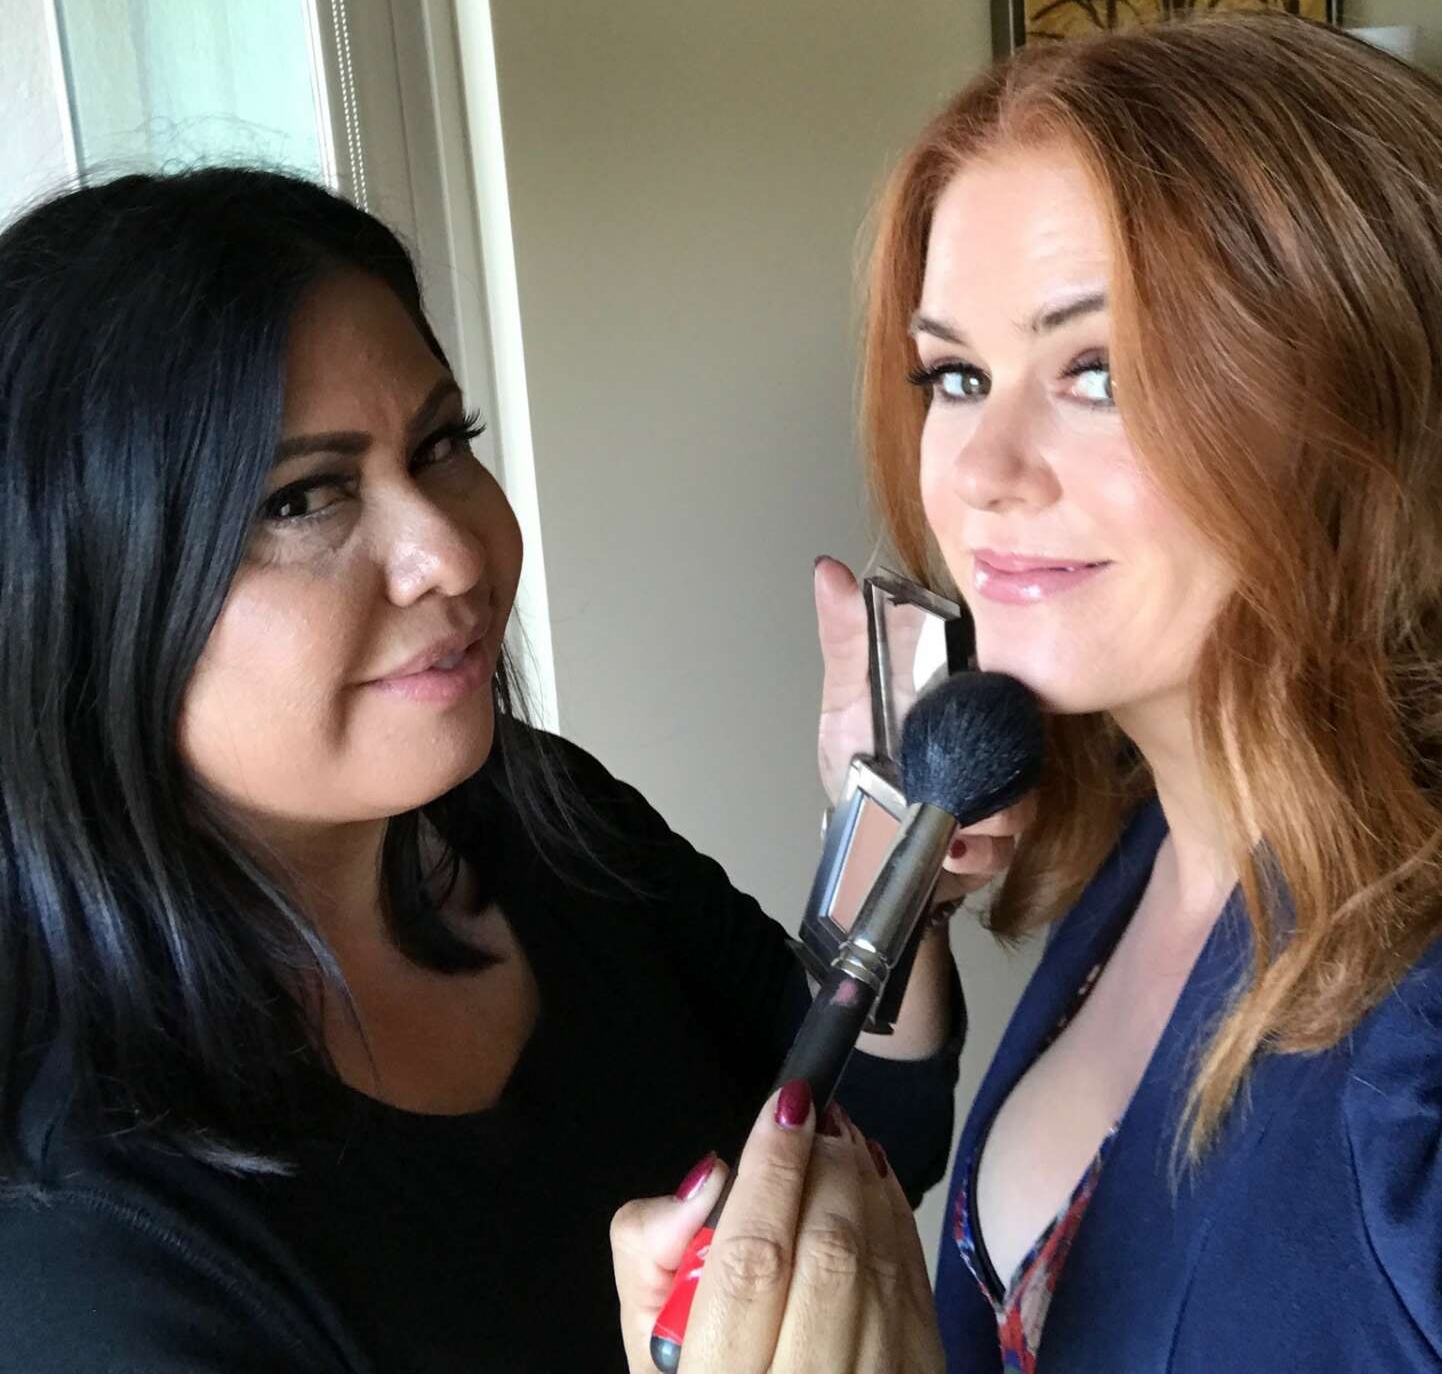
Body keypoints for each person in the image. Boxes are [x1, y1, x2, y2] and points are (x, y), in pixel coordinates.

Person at [0, 166, 968, 1374]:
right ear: (84, 590)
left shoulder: (537, 815)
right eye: (302, 500)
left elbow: (862, 1135)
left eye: (439, 444)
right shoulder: (81, 1250)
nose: (450, 552)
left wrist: (890, 843)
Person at [614, 10, 1442, 1372]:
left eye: (1096, 372)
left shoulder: (1414, 1049)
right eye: (955, 375)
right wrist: (889, 838)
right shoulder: (1148, 835)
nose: (981, 470)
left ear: (1369, 395)